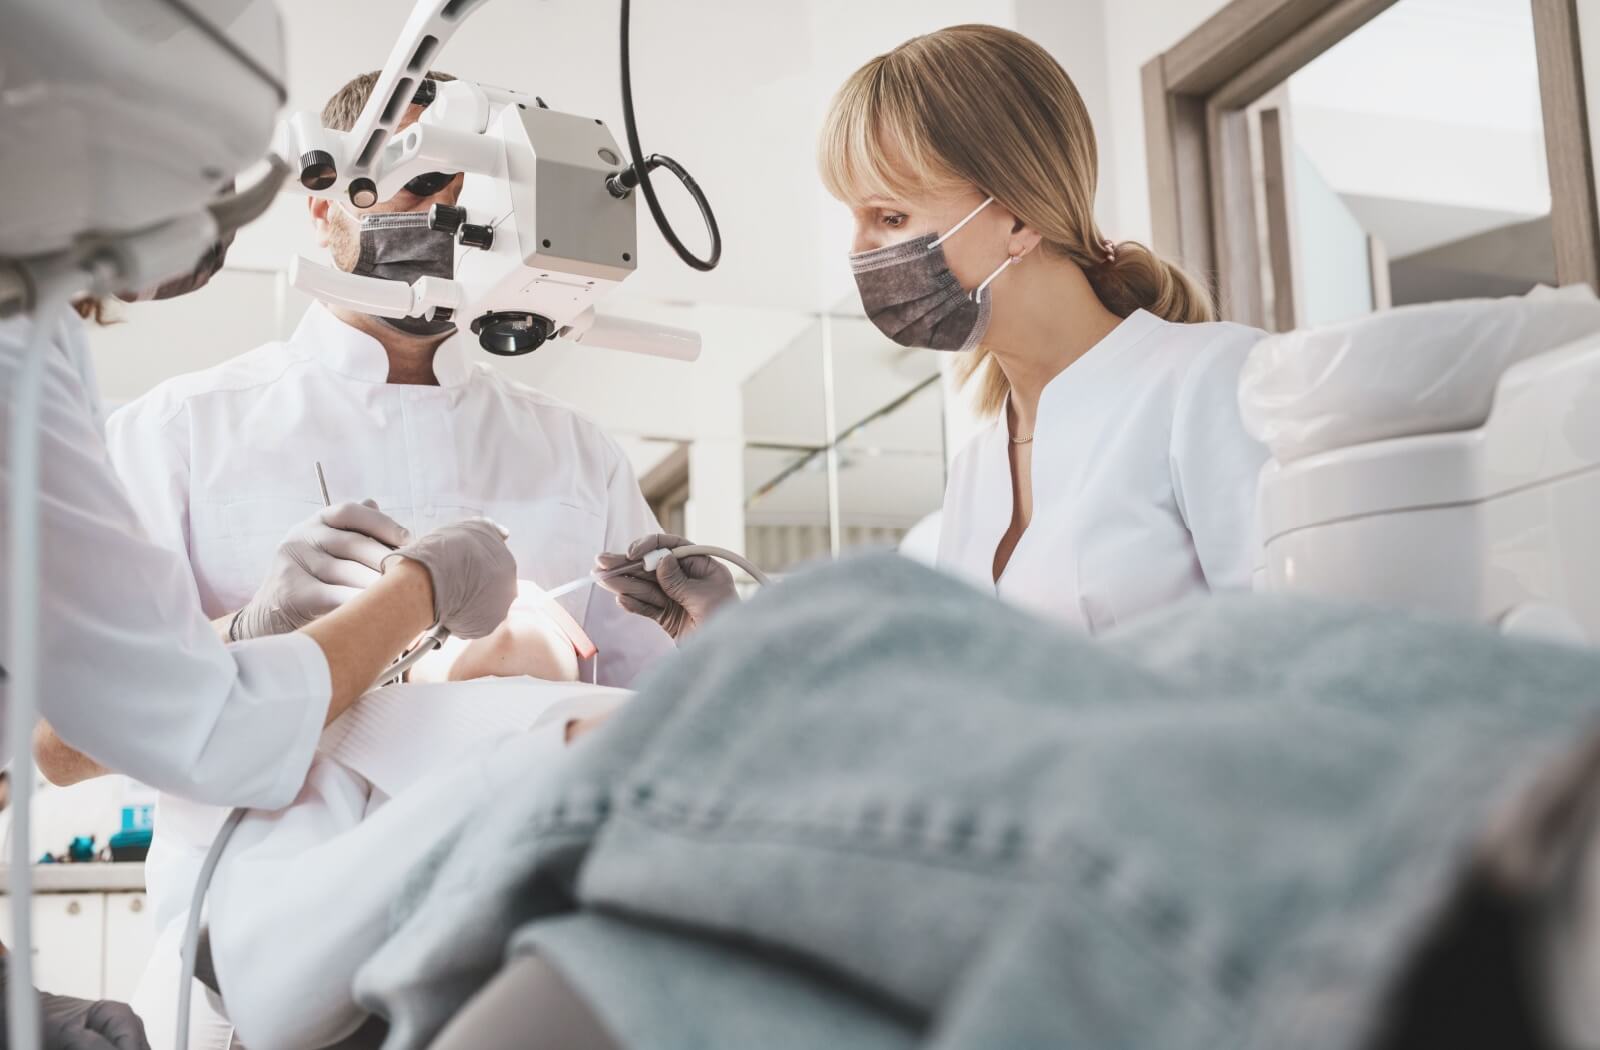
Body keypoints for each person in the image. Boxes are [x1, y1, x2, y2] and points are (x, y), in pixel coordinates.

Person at [30, 68, 672, 1049]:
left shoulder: (576, 454)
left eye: (473, 200)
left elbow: (650, 729)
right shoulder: (180, 434)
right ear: (324, 200)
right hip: (254, 970)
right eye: (420, 188)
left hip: (522, 971)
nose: (448, 222)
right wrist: (234, 640)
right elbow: (53, 743)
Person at [0, 248, 518, 1050]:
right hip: (246, 984)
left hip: (507, 959)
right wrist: (414, 591)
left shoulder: (577, 454)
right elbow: (79, 735)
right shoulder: (176, 426)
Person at [601, 25, 1270, 641]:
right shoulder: (978, 468)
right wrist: (724, 632)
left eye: (890, 217)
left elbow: (1304, 667)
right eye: (855, 220)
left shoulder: (1210, 383)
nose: (860, 250)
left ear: (1017, 219)